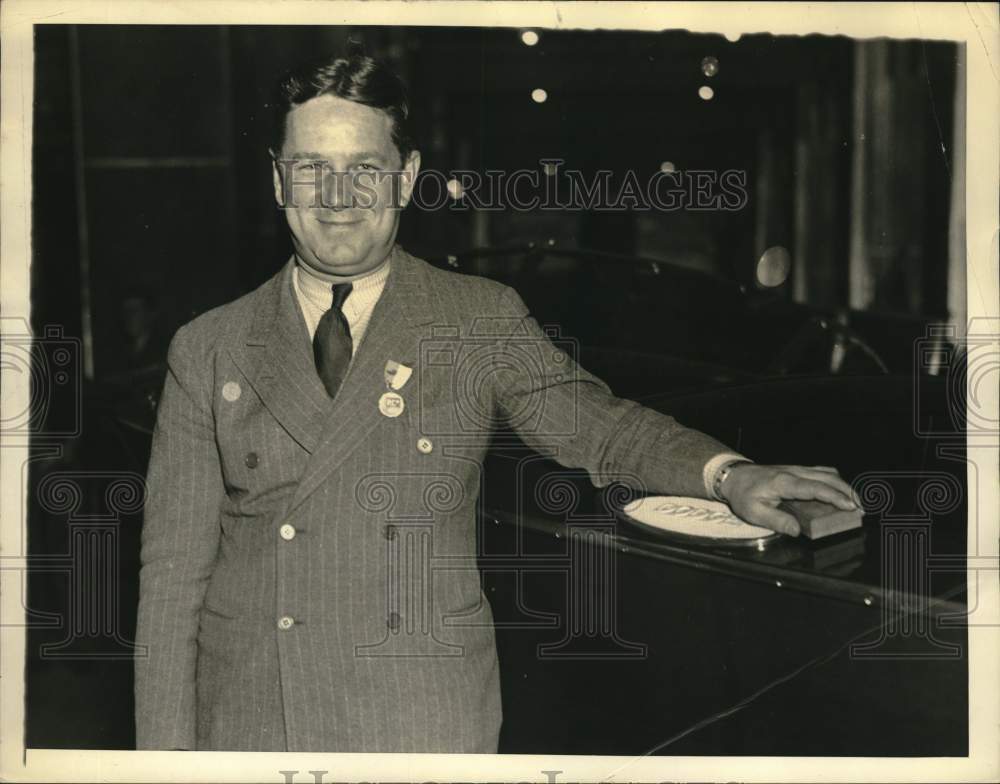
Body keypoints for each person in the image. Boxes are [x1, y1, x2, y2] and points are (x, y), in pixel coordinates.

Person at [134, 50, 860, 753]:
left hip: (418, 717)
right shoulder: (209, 347)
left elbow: (601, 429)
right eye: (311, 168)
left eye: (365, 169)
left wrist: (732, 475)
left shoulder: (476, 319)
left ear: (408, 177)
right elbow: (171, 588)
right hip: (258, 723)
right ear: (278, 180)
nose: (338, 196)